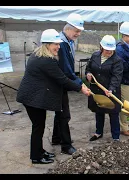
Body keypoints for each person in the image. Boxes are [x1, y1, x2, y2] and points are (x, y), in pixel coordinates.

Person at [16, 29, 90, 164]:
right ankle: (36, 157)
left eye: (59, 44)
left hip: (32, 97)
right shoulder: (46, 61)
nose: (58, 47)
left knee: (39, 126)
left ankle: (39, 151)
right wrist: (81, 88)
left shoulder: (38, 55)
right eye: (55, 44)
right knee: (38, 127)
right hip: (32, 99)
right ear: (46, 44)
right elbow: (62, 79)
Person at [51, 13, 85, 155]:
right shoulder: (62, 43)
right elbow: (66, 69)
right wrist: (80, 84)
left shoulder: (68, 41)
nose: (78, 34)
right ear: (68, 29)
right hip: (58, 83)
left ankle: (56, 138)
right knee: (65, 114)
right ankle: (66, 146)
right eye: (76, 31)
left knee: (59, 111)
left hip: (60, 82)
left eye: (79, 31)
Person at [85, 35, 123, 142]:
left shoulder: (117, 60)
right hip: (97, 90)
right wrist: (88, 74)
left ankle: (116, 137)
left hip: (111, 91)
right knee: (99, 111)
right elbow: (89, 67)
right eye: (107, 50)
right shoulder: (95, 55)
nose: (109, 52)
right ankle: (98, 132)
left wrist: (111, 89)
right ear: (101, 47)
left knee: (113, 114)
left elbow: (117, 76)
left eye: (111, 50)